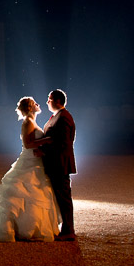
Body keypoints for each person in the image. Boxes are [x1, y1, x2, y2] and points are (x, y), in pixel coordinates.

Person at [0, 97, 61, 242]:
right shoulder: (28, 122)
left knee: (36, 194)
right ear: (30, 108)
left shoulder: (33, 121)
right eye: (34, 103)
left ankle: (30, 227)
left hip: (36, 161)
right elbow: (28, 144)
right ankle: (13, 229)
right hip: (29, 161)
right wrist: (47, 140)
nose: (38, 104)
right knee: (21, 194)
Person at [38, 89, 77, 241]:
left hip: (59, 164)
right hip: (56, 162)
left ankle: (69, 230)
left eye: (50, 99)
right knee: (61, 197)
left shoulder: (64, 118)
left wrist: (44, 151)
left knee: (64, 197)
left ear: (57, 101)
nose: (47, 101)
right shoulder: (58, 117)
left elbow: (63, 142)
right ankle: (66, 228)